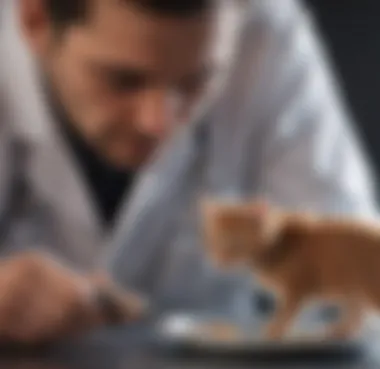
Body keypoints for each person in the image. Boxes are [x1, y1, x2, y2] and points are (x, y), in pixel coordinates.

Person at [0, 0, 377, 342]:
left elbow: (357, 263)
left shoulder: (263, 36)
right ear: (35, 21)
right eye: (123, 81)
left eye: (195, 82)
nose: (158, 124)